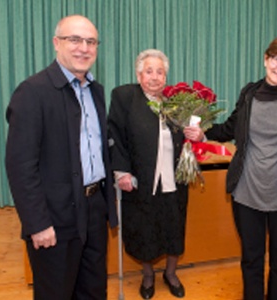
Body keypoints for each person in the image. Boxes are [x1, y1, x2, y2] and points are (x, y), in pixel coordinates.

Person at [184, 35, 277, 300]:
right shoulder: (249, 93)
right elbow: (231, 127)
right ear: (266, 59)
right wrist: (203, 135)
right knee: (251, 259)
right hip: (246, 193)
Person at [5, 15, 118, 299]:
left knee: (93, 290)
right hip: (54, 215)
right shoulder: (33, 91)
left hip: (93, 210)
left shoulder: (96, 91)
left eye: (91, 41)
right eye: (74, 40)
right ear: (57, 43)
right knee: (56, 292)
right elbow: (20, 165)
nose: (84, 48)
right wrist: (38, 223)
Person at [108, 49, 188, 299]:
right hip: (140, 180)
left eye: (160, 71)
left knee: (174, 227)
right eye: (149, 71)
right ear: (139, 74)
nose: (155, 77)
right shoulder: (125, 96)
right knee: (144, 229)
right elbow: (116, 136)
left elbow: (189, 134)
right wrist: (121, 172)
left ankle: (171, 274)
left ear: (166, 75)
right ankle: (148, 276)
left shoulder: (177, 101)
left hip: (174, 180)